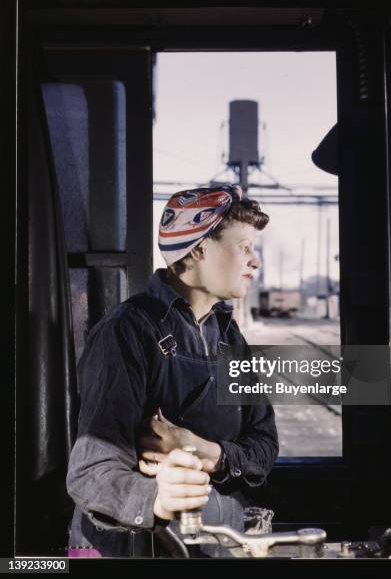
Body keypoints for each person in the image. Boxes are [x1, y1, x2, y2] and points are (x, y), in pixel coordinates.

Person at [66, 183, 279, 557]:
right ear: (198, 250)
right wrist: (155, 498)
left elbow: (263, 445)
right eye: (244, 247)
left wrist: (207, 452)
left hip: (210, 541)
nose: (255, 261)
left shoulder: (229, 336)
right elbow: (89, 472)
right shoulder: (129, 331)